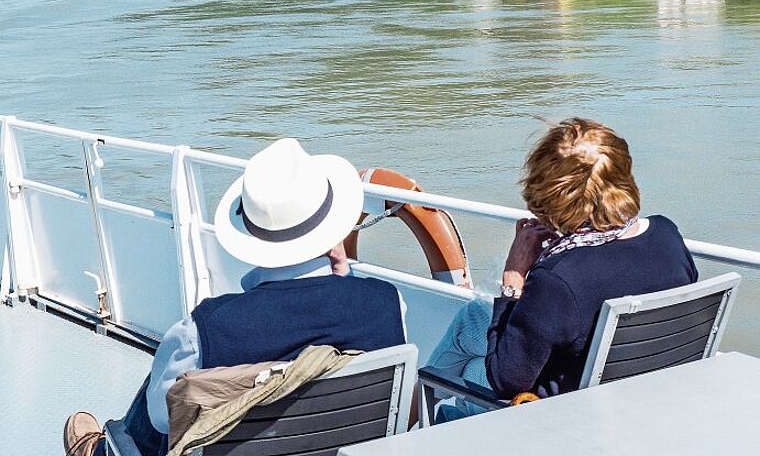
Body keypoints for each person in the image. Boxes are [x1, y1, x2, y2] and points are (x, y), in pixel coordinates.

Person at [64, 138, 406, 456]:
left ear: (251, 233)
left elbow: (162, 421)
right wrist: (344, 278)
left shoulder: (201, 331)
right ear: (332, 228)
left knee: (165, 387)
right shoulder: (389, 304)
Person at [426, 117, 697, 419]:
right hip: (648, 397)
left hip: (566, 417)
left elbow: (506, 381)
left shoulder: (558, 280)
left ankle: (407, 425)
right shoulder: (667, 236)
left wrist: (514, 276)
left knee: (462, 373)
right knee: (473, 316)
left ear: (549, 194)